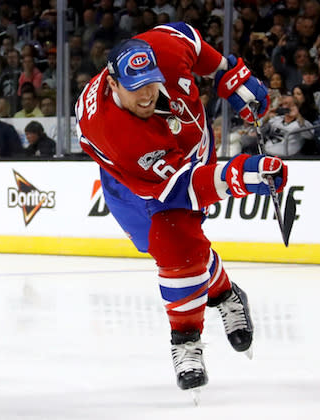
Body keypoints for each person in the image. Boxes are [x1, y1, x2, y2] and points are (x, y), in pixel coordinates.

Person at [75, 24, 286, 393]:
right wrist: (243, 176)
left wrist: (228, 71)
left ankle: (185, 342)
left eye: (151, 83)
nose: (147, 96)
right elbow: (182, 189)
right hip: (129, 179)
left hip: (191, 156)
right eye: (135, 88)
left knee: (175, 243)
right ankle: (224, 293)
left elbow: (188, 38)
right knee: (163, 246)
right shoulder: (116, 132)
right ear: (113, 86)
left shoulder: (164, 49)